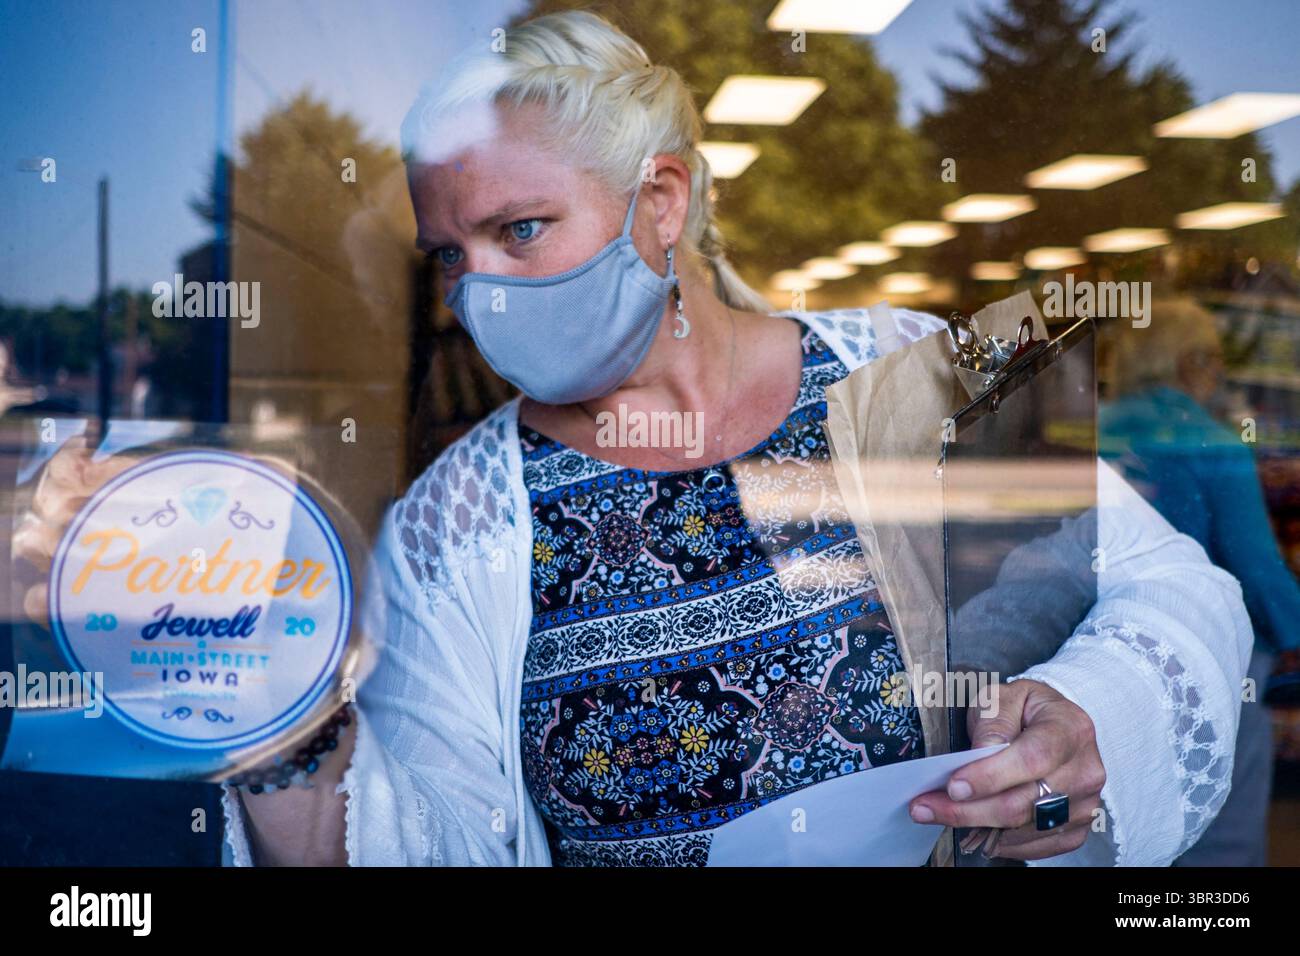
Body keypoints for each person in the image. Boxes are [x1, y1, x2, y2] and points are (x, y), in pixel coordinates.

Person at [17, 11, 1251, 867]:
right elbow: (432, 834)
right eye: (452, 252)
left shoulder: (907, 367)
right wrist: (278, 725)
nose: (477, 287)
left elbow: (1162, 587)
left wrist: (1086, 713)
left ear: (660, 202)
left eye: (522, 230)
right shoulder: (463, 519)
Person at [1100, 297, 1300, 865]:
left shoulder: (1094, 431)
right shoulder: (1209, 443)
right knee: (1222, 842)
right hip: (1212, 665)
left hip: (1101, 659)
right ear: (1190, 363)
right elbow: (1257, 570)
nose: (1221, 374)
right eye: (1214, 359)